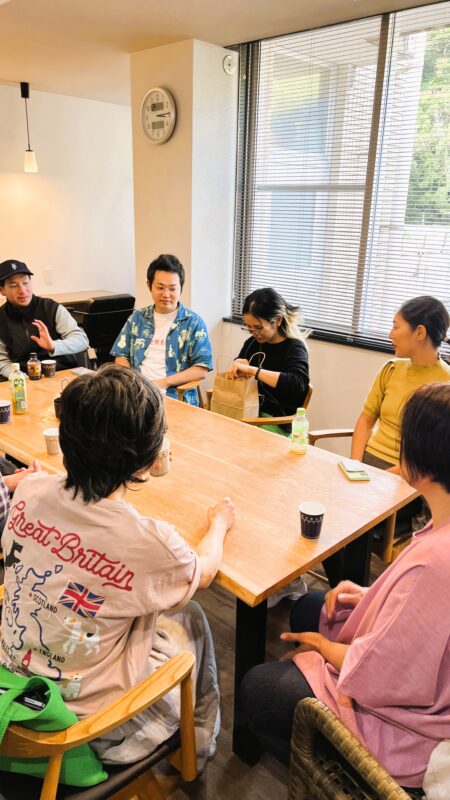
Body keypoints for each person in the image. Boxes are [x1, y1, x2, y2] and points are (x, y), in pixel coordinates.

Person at [1, 364, 235, 767]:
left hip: (12, 684)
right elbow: (207, 569)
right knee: (192, 616)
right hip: (78, 728)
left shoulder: (29, 490)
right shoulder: (150, 542)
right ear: (147, 460)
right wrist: (219, 523)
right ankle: (196, 748)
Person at [237, 381, 450, 790]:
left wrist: (320, 647)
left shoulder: (436, 563)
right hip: (410, 666)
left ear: (423, 462)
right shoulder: (439, 529)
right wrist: (373, 595)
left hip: (409, 729)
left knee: (258, 689)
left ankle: (343, 779)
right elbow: (425, 614)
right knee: (308, 607)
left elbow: (384, 673)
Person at [352, 295, 450, 473]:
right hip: (368, 463)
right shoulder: (391, 369)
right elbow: (366, 420)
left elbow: (435, 456)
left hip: (412, 475)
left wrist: (381, 477)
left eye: (396, 327)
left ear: (419, 333)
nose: (390, 334)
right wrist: (355, 466)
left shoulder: (446, 385)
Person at [112, 254, 213, 406]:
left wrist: (164, 383)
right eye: (160, 288)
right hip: (137, 394)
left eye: (172, 289)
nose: (166, 294)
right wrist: (133, 381)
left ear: (181, 288)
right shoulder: (137, 318)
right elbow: (120, 355)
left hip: (175, 397)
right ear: (149, 285)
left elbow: (202, 368)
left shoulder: (193, 322)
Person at [226, 288, 310, 435]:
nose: (254, 333)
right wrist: (237, 367)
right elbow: (240, 373)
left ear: (277, 320)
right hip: (248, 412)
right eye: (249, 327)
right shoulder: (252, 343)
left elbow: (297, 383)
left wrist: (253, 371)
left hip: (276, 421)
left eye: (258, 328)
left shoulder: (294, 347)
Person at [0, 259, 90, 379]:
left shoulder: (51, 308)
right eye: (14, 286)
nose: (22, 290)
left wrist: (53, 346)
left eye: (25, 283)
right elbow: (2, 360)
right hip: (24, 377)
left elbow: (81, 340)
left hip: (60, 373)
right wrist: (19, 377)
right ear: (2, 290)